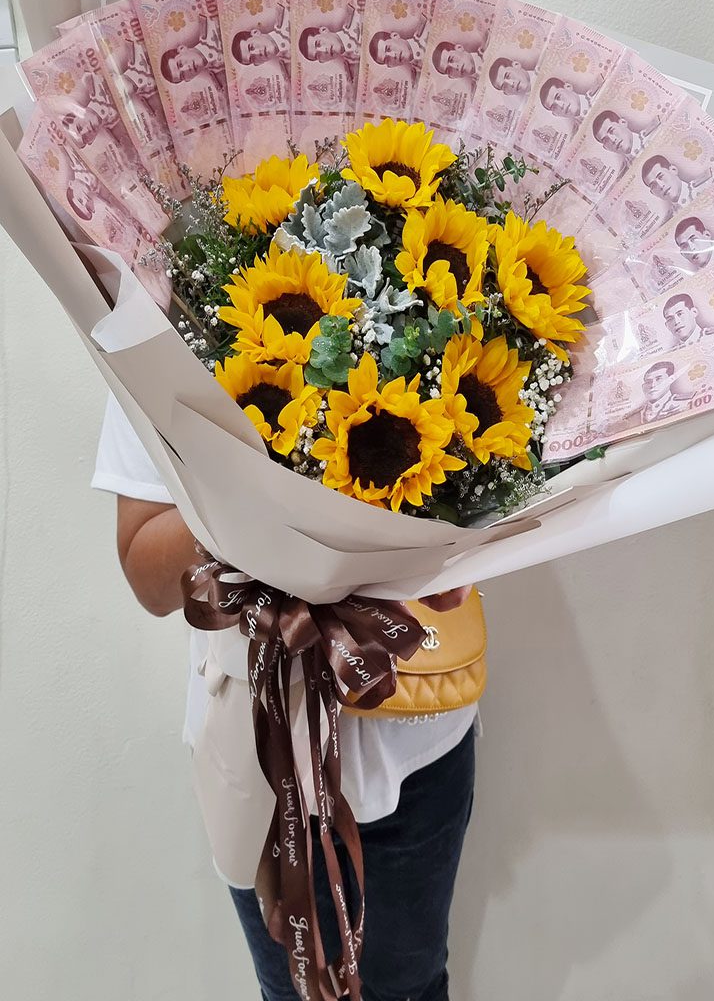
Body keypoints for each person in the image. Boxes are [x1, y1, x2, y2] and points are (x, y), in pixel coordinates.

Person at [93, 395, 477, 1001]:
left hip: (415, 743)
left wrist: (451, 541)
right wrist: (271, 493)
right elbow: (149, 575)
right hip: (261, 756)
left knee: (413, 985)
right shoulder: (154, 346)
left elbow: (480, 483)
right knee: (294, 990)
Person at [160, 12, 226, 88]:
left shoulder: (209, 23)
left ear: (182, 48)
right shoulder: (221, 81)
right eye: (183, 75)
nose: (186, 69)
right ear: (188, 79)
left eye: (180, 64)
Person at [297, 3, 362, 80]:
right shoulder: (352, 73)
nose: (323, 51)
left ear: (324, 30)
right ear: (322, 61)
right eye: (318, 55)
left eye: (318, 43)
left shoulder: (354, 16)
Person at [231, 6, 291, 74]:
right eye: (252, 58)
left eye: (251, 47)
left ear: (255, 32)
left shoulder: (285, 15)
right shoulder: (289, 71)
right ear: (258, 63)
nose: (257, 53)